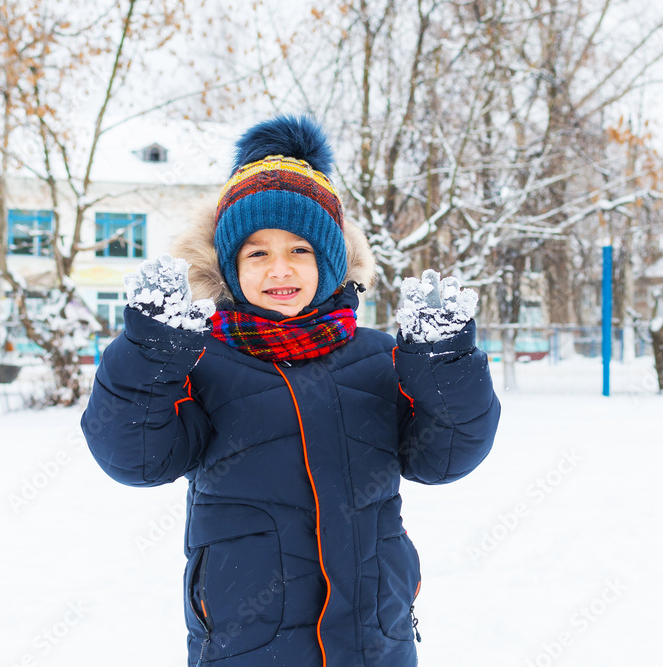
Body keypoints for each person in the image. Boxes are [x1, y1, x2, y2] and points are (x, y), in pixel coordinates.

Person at [80, 114, 501, 667]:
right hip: (250, 642)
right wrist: (149, 353)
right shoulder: (202, 359)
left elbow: (444, 458)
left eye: (300, 249)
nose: (280, 268)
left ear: (330, 259)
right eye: (257, 252)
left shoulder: (378, 359)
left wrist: (445, 364)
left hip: (375, 637)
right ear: (228, 266)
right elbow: (136, 458)